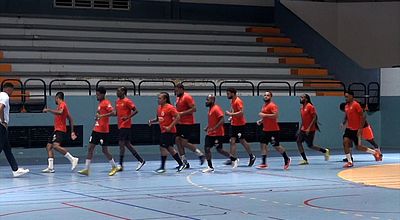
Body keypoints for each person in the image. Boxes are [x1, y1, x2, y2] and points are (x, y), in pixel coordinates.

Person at [78, 87, 119, 176]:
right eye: (96, 94)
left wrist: (102, 115)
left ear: (103, 94)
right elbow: (99, 113)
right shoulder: (100, 103)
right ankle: (87, 169)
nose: (97, 96)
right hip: (96, 129)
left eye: (98, 94)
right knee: (90, 148)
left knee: (104, 150)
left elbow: (114, 113)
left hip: (103, 131)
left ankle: (114, 166)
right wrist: (97, 116)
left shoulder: (106, 103)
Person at [341, 90, 382, 168]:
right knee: (345, 142)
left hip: (356, 129)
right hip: (349, 129)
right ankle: (350, 161)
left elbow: (363, 116)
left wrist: (360, 129)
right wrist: (344, 122)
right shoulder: (346, 106)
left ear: (351, 96)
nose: (345, 98)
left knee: (358, 147)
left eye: (347, 96)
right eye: (345, 97)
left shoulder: (356, 105)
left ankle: (374, 152)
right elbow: (347, 115)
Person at [149, 92, 185, 173]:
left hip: (170, 131)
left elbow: (178, 117)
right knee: (169, 148)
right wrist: (152, 121)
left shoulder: (170, 107)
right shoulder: (159, 108)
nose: (158, 100)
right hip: (163, 131)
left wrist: (170, 126)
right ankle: (181, 164)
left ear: (165, 99)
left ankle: (163, 167)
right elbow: (159, 118)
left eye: (160, 98)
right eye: (158, 98)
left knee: (163, 147)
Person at [42, 92, 79, 173]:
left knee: (55, 146)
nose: (55, 100)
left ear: (57, 98)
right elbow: (71, 119)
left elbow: (60, 112)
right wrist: (72, 132)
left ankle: (73, 159)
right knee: (49, 146)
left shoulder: (63, 104)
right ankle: (50, 167)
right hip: (56, 129)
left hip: (60, 130)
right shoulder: (60, 106)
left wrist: (48, 110)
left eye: (55, 98)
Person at [0, 83, 30, 177]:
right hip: (1, 126)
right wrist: (3, 121)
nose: (12, 93)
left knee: (7, 149)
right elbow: (0, 108)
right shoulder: (5, 96)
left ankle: (15, 169)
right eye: (12, 91)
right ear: (8, 89)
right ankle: (15, 169)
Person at [257, 91, 291, 170]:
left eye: (268, 95)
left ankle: (287, 159)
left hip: (273, 130)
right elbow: (265, 117)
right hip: (265, 129)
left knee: (276, 146)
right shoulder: (264, 106)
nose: (266, 96)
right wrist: (261, 121)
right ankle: (264, 163)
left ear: (271, 97)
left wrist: (264, 115)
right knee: (263, 145)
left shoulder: (272, 105)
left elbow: (275, 116)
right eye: (265, 95)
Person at [114, 87, 145, 172]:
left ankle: (120, 164)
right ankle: (141, 160)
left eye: (119, 91)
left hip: (125, 126)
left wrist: (127, 117)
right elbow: (116, 113)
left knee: (121, 143)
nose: (117, 92)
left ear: (123, 92)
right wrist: (103, 115)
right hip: (120, 125)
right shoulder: (117, 102)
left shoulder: (127, 101)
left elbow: (136, 110)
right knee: (127, 144)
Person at [174, 83, 205, 169]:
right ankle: (184, 162)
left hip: (187, 123)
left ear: (181, 89)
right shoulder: (178, 98)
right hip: (179, 123)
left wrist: (181, 113)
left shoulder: (187, 97)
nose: (175, 92)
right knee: (177, 141)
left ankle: (201, 155)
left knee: (184, 143)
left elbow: (194, 109)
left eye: (176, 91)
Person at [225, 87, 256, 168]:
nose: (227, 95)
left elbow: (241, 113)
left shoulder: (238, 101)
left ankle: (252, 156)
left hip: (240, 125)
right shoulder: (232, 101)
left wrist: (230, 114)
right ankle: (232, 158)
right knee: (232, 141)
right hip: (233, 124)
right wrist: (231, 117)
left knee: (242, 141)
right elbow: (233, 110)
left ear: (233, 93)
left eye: (228, 93)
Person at [296, 94, 330, 165]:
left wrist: (309, 128)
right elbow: (303, 120)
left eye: (302, 97)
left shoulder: (310, 107)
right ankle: (305, 160)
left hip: (310, 130)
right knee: (298, 142)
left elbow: (315, 118)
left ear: (306, 99)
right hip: (303, 129)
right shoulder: (301, 108)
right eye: (300, 97)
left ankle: (324, 151)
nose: (300, 98)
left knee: (310, 145)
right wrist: (300, 128)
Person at [202, 94, 231, 173]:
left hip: (217, 134)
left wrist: (214, 128)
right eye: (206, 99)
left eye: (208, 100)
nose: (206, 101)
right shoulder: (210, 109)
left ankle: (233, 158)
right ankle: (210, 167)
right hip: (210, 133)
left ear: (213, 100)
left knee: (219, 150)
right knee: (207, 148)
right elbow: (213, 121)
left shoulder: (216, 108)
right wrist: (208, 127)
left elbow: (222, 121)